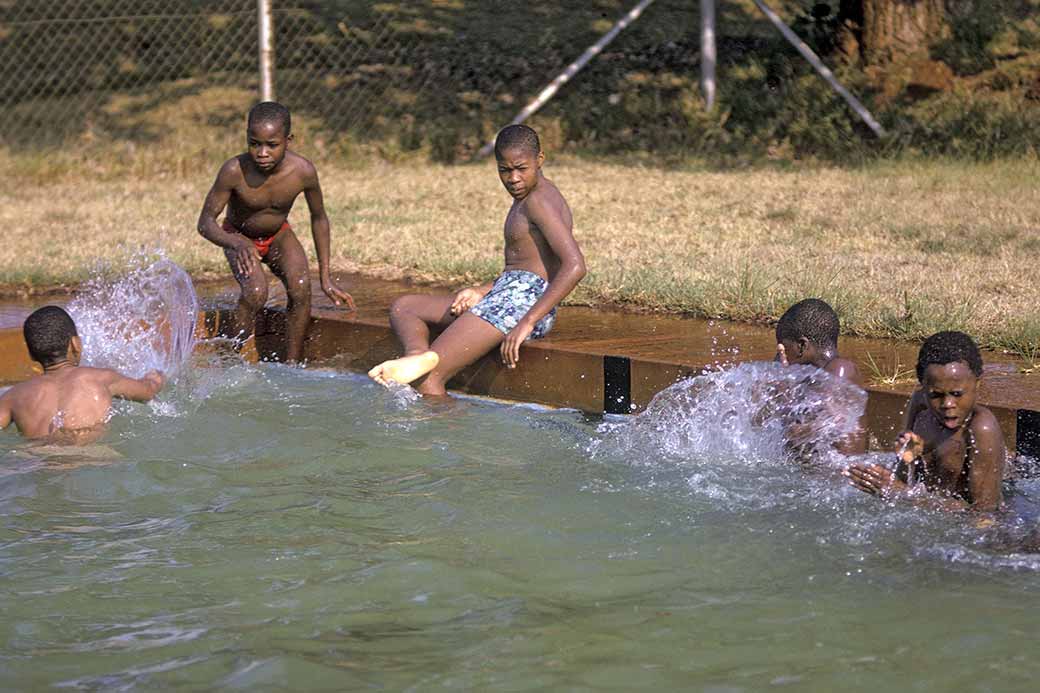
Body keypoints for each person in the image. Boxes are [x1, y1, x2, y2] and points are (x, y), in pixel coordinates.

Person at [367, 124, 586, 396]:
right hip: (506, 294)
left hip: (523, 305)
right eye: (505, 170)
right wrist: (482, 291)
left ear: (540, 159)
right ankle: (417, 356)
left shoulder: (539, 201)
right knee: (405, 307)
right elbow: (524, 267)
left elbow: (575, 266)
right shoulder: (528, 196)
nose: (513, 178)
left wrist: (527, 322)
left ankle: (449, 435)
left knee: (428, 381)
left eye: (521, 168)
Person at [197, 101, 354, 363]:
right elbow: (205, 223)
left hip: (278, 234)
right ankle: (231, 361)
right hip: (239, 236)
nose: (262, 152)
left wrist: (325, 277)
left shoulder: (302, 171)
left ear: (288, 140)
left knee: (301, 289)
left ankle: (293, 365)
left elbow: (319, 218)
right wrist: (235, 243)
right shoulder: (234, 170)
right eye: (254, 143)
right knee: (256, 292)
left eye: (272, 145)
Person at [844, 331, 1006, 512]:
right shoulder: (921, 403)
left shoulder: (980, 428)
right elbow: (905, 473)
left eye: (957, 394)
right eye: (936, 395)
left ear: (977, 385)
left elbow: (984, 516)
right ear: (924, 387)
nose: (947, 404)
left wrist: (900, 493)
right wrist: (902, 463)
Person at [0, 306, 165, 445]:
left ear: (31, 354)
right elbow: (148, 391)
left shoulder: (14, 396)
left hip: (35, 460)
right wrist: (155, 376)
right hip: (91, 457)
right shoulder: (101, 378)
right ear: (75, 344)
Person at [774, 298, 867, 454]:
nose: (780, 354)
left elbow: (821, 428)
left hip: (839, 474)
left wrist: (784, 389)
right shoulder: (809, 378)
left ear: (802, 346)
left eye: (784, 348)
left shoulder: (840, 369)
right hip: (813, 473)